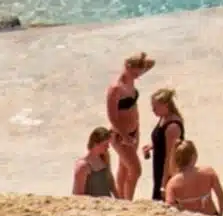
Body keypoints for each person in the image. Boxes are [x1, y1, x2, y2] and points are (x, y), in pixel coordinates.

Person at [107, 52, 153, 199]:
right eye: (134, 73)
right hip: (120, 136)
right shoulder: (116, 89)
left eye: (138, 73)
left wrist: (140, 59)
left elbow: (152, 63)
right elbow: (112, 117)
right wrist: (125, 136)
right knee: (135, 169)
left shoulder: (131, 82)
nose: (137, 76)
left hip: (134, 131)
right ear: (127, 67)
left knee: (124, 168)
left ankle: (121, 198)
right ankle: (128, 201)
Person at [163, 140, 223, 216]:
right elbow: (221, 197)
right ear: (194, 156)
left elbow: (170, 208)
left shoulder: (172, 183)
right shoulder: (209, 172)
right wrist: (220, 215)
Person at [147, 87, 186, 202]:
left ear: (166, 105)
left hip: (167, 170)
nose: (153, 109)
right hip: (159, 166)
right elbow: (162, 140)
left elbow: (170, 156)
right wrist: (152, 145)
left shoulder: (172, 126)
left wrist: (164, 184)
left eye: (155, 107)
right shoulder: (164, 118)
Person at [72, 126, 117, 197]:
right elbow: (78, 195)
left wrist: (119, 199)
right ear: (96, 144)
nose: (108, 147)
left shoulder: (105, 157)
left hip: (108, 204)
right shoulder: (83, 166)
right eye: (105, 144)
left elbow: (110, 180)